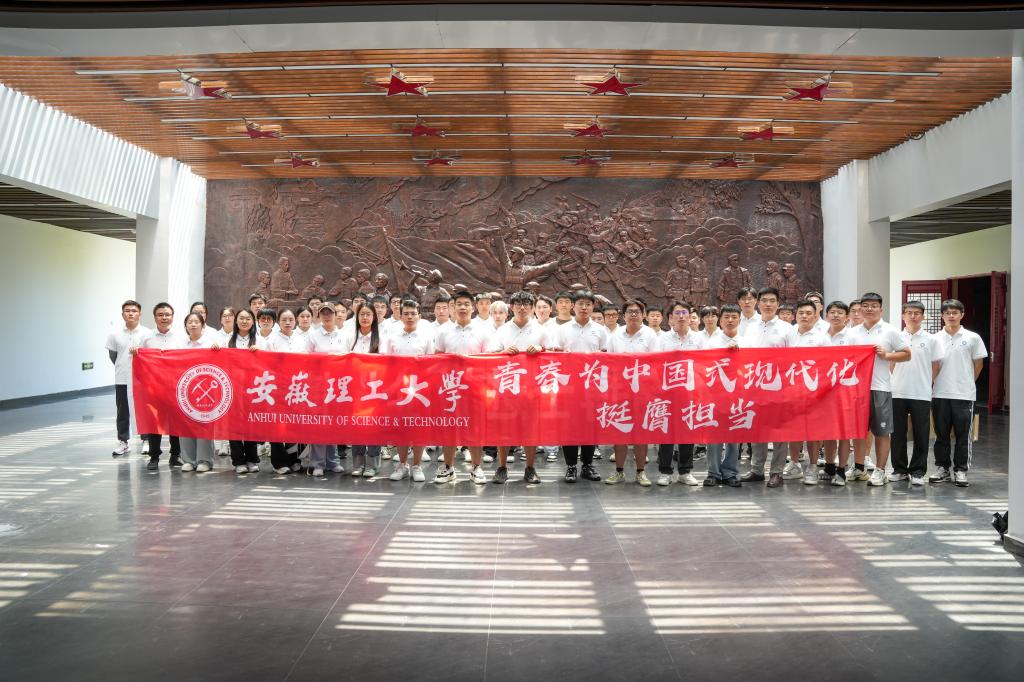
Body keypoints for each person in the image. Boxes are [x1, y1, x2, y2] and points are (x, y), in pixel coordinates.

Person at [843, 292, 911, 487]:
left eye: (873, 306)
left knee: (882, 431)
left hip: (880, 387)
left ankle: (880, 470)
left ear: (881, 309)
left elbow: (907, 354)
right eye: (865, 306)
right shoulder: (852, 332)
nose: (869, 309)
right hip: (856, 388)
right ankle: (859, 467)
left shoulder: (890, 331)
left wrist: (887, 355)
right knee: (858, 431)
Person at [741, 287, 798, 487]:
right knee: (758, 429)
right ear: (758, 303)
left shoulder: (787, 328)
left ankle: (776, 472)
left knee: (779, 431)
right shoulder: (751, 327)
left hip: (779, 387)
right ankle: (757, 469)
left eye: (772, 300)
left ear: (778, 304)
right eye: (764, 300)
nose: (768, 304)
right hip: (755, 386)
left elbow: (794, 358)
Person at [489, 290, 547, 485]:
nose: (522, 307)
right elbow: (490, 355)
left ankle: (530, 468)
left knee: (530, 428)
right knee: (503, 428)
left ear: (532, 308)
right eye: (518, 304)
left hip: (532, 388)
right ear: (511, 307)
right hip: (506, 387)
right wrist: (503, 352)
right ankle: (502, 467)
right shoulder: (502, 330)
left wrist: (540, 349)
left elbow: (554, 353)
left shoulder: (540, 330)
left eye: (526, 304)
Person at [550, 290, 608, 483]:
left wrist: (600, 355)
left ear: (593, 307)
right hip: (569, 387)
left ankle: (587, 465)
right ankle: (571, 466)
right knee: (569, 426)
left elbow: (607, 356)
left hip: (592, 386)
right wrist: (561, 354)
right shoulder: (563, 329)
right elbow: (554, 355)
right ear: (573, 306)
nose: (584, 307)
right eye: (580, 304)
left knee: (590, 426)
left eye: (588, 304)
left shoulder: (600, 330)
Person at [434, 291, 490, 483]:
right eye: (459, 304)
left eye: (466, 304)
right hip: (450, 387)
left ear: (473, 307)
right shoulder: (443, 331)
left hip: (475, 387)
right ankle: (448, 467)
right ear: (453, 307)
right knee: (449, 428)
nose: (463, 307)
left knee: (475, 428)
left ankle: (476, 467)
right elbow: (438, 357)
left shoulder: (483, 331)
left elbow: (489, 360)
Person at [930, 298, 987, 487]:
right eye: (947, 313)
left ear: (962, 315)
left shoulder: (972, 337)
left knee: (963, 436)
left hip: (963, 394)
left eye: (955, 312)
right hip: (940, 393)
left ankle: (961, 470)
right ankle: (943, 469)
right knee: (941, 435)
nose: (951, 316)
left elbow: (978, 365)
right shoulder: (935, 339)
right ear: (942, 316)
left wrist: (967, 382)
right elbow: (932, 365)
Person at [604, 299, 658, 487]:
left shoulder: (650, 335)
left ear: (643, 315)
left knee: (641, 434)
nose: (633, 315)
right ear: (624, 316)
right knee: (620, 432)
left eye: (637, 312)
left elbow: (656, 363)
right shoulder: (615, 335)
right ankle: (619, 472)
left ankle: (641, 472)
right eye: (630, 312)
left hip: (643, 392)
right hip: (620, 392)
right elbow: (609, 362)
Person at [891, 301, 945, 487]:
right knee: (897, 433)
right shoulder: (896, 337)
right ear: (903, 316)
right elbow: (891, 364)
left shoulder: (931, 339)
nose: (912, 316)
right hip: (897, 392)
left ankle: (918, 471)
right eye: (909, 313)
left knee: (921, 434)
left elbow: (935, 366)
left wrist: (926, 383)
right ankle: (899, 470)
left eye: (916, 313)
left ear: (923, 316)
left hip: (921, 393)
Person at [384, 299, 437, 483]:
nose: (409, 317)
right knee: (401, 428)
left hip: (420, 390)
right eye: (406, 313)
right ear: (401, 317)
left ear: (419, 316)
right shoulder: (392, 337)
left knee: (418, 427)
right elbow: (387, 363)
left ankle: (417, 465)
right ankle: (402, 464)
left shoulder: (426, 337)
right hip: (399, 389)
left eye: (413, 314)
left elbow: (431, 363)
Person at [654, 300, 705, 486]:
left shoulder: (699, 339)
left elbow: (706, 364)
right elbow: (655, 365)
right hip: (668, 393)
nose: (681, 316)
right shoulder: (662, 340)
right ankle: (665, 471)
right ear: (670, 318)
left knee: (687, 432)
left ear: (690, 317)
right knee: (666, 433)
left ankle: (685, 471)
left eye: (685, 312)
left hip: (691, 393)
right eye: (677, 313)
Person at [785, 300, 830, 486]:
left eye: (808, 313)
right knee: (793, 429)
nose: (804, 316)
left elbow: (828, 364)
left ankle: (812, 466)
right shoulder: (788, 334)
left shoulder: (822, 338)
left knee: (813, 430)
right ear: (796, 315)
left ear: (815, 316)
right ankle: (795, 463)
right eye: (801, 313)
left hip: (814, 390)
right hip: (791, 389)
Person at [134, 302, 182, 471]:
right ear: (155, 317)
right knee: (154, 421)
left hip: (176, 386)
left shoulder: (181, 337)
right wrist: (135, 352)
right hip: (153, 387)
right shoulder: (146, 338)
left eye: (167, 314)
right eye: (160, 314)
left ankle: (176, 455)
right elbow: (138, 359)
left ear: (172, 317)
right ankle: (154, 456)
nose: (164, 317)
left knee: (176, 422)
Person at [702, 303, 743, 487]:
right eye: (726, 317)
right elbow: (704, 367)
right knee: (714, 434)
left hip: (739, 395)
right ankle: (713, 472)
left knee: (734, 435)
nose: (730, 320)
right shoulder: (711, 342)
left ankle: (730, 472)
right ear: (720, 320)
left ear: (740, 320)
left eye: (734, 317)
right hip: (715, 395)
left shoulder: (747, 342)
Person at [342, 302, 384, 478]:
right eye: (362, 314)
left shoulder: (382, 339)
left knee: (373, 427)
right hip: (355, 389)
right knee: (357, 427)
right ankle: (358, 464)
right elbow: (343, 363)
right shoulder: (350, 338)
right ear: (357, 317)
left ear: (374, 317)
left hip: (376, 389)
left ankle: (373, 464)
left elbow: (386, 363)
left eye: (368, 314)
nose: (365, 318)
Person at [305, 303, 347, 477]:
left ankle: (333, 461)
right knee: (319, 424)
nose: (327, 316)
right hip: (319, 386)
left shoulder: (344, 335)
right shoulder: (313, 335)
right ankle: (317, 463)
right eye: (324, 313)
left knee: (333, 423)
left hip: (338, 386)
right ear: (319, 316)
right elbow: (306, 359)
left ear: (336, 315)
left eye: (330, 313)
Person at [264, 308, 307, 475]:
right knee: (276, 425)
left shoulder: (302, 339)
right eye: (284, 319)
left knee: (293, 424)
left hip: (297, 388)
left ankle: (294, 460)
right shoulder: (271, 340)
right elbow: (266, 363)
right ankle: (279, 462)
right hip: (277, 388)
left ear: (295, 321)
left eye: (290, 319)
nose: (288, 323)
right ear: (278, 322)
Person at [106, 300, 151, 457]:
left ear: (140, 313)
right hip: (122, 378)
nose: (131, 313)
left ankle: (146, 440)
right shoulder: (114, 334)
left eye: (134, 310)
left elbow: (151, 356)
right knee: (122, 411)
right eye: (127, 311)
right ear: (122, 314)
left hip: (142, 379)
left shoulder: (147, 333)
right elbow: (113, 356)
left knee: (143, 410)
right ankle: (123, 442)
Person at [178, 312, 216, 473]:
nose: (193, 324)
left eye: (196, 321)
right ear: (185, 326)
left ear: (202, 325)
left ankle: (204, 460)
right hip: (184, 389)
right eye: (189, 322)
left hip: (206, 388)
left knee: (204, 424)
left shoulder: (210, 343)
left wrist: (217, 351)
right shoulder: (179, 344)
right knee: (184, 424)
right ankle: (188, 460)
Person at [227, 309, 262, 474]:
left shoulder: (260, 340)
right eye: (241, 318)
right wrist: (215, 349)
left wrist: (260, 352)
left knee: (251, 425)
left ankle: (251, 459)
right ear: (236, 321)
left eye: (248, 318)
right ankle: (238, 461)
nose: (244, 321)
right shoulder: (227, 340)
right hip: (232, 388)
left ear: (253, 322)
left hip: (253, 388)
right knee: (233, 426)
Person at [822, 301, 852, 482]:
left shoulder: (852, 337)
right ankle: (829, 466)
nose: (835, 315)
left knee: (843, 431)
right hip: (823, 391)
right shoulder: (820, 335)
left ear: (847, 317)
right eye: (832, 312)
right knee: (828, 430)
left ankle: (842, 468)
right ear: (826, 316)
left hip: (845, 390)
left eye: (840, 312)